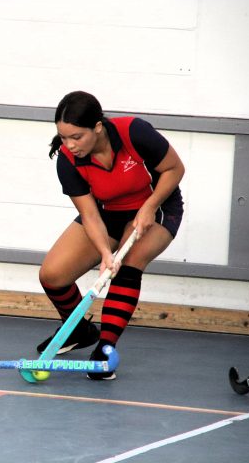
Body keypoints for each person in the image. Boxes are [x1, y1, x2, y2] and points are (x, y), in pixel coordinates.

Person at [37, 91, 185, 380]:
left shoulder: (134, 132)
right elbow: (90, 215)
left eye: (76, 137)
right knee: (52, 275)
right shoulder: (67, 159)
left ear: (98, 127)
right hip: (108, 214)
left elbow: (174, 169)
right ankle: (78, 329)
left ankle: (105, 349)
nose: (69, 144)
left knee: (129, 263)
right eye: (63, 136)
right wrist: (105, 253)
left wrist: (150, 206)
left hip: (157, 205)